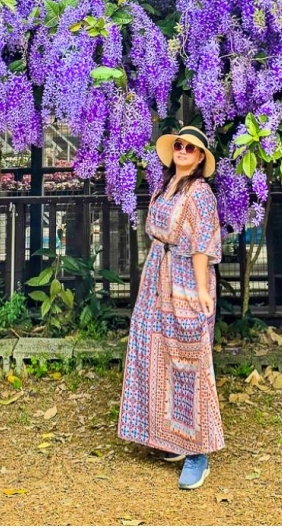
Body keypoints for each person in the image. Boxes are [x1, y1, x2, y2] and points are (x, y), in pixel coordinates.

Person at [117, 126, 224, 489]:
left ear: (199, 158)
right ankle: (173, 440)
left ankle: (198, 453)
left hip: (185, 281)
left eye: (190, 148)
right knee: (153, 351)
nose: (182, 150)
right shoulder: (166, 186)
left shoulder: (201, 193)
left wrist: (200, 291)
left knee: (189, 358)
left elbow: (202, 246)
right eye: (178, 145)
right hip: (156, 279)